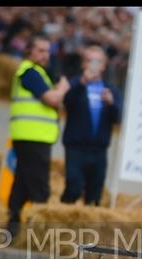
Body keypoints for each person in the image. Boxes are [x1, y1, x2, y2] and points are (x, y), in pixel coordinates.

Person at [7, 35, 70, 236]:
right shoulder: (30, 72)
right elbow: (51, 99)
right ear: (29, 51)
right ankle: (38, 230)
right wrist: (62, 89)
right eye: (40, 50)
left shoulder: (37, 72)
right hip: (33, 136)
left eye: (47, 51)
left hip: (32, 135)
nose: (45, 55)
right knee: (39, 184)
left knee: (23, 180)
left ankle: (14, 224)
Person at [60, 45, 122, 206]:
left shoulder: (111, 89)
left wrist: (111, 103)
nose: (93, 65)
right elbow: (67, 103)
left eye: (97, 61)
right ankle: (64, 214)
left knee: (94, 194)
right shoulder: (74, 84)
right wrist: (82, 83)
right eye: (89, 61)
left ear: (103, 65)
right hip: (76, 147)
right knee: (73, 187)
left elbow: (119, 117)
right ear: (83, 64)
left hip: (99, 150)